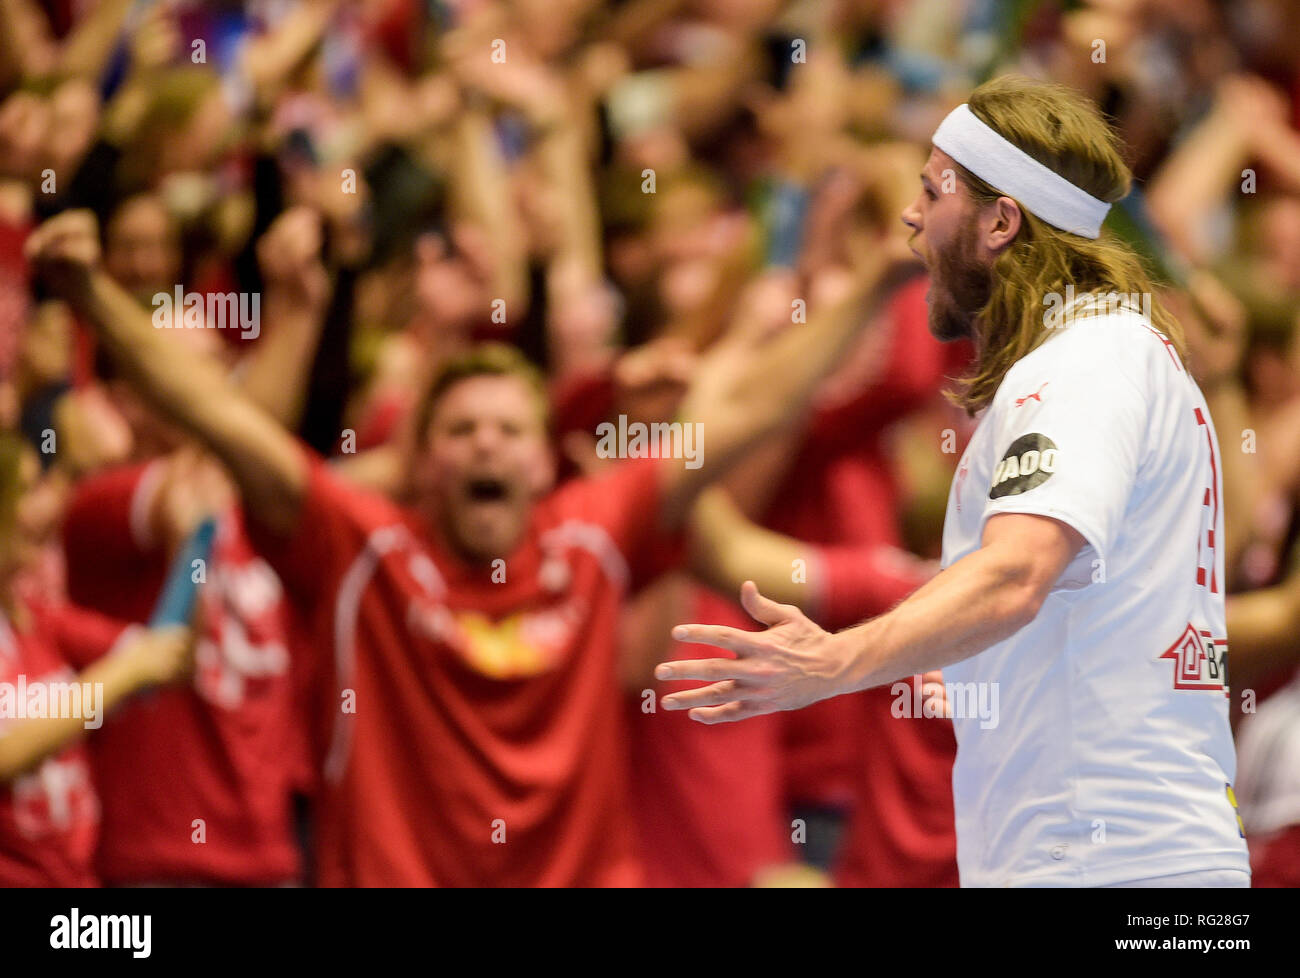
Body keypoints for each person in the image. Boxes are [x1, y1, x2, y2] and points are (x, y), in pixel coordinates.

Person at [25, 205, 915, 886]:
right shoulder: (358, 550)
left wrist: (881, 275)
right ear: (421, 463)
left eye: (506, 429)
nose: (486, 444)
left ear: (542, 461)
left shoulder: (593, 536)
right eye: (460, 430)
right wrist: (87, 292)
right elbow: (216, 416)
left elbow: (751, 408)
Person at [658, 75, 1252, 888]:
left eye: (932, 191)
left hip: (1110, 870)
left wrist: (831, 663)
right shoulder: (1114, 355)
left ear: (1001, 221)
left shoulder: (1084, 363)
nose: (910, 217)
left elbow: (1015, 572)